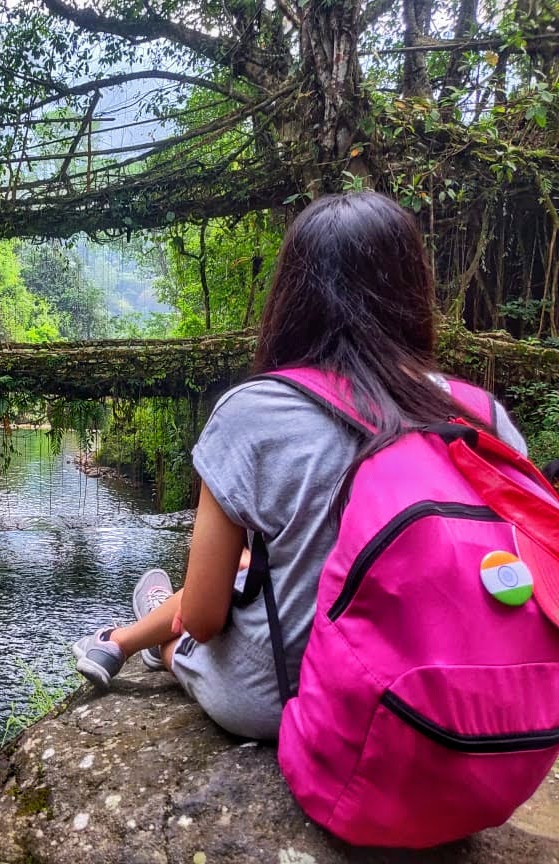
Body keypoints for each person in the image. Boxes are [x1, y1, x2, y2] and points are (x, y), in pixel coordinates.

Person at [72, 191, 529, 741]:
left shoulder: (254, 411)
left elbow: (206, 617)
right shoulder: (481, 416)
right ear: (414, 293)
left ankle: (136, 643)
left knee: (190, 628)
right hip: (475, 701)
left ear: (292, 296)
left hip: (289, 701)